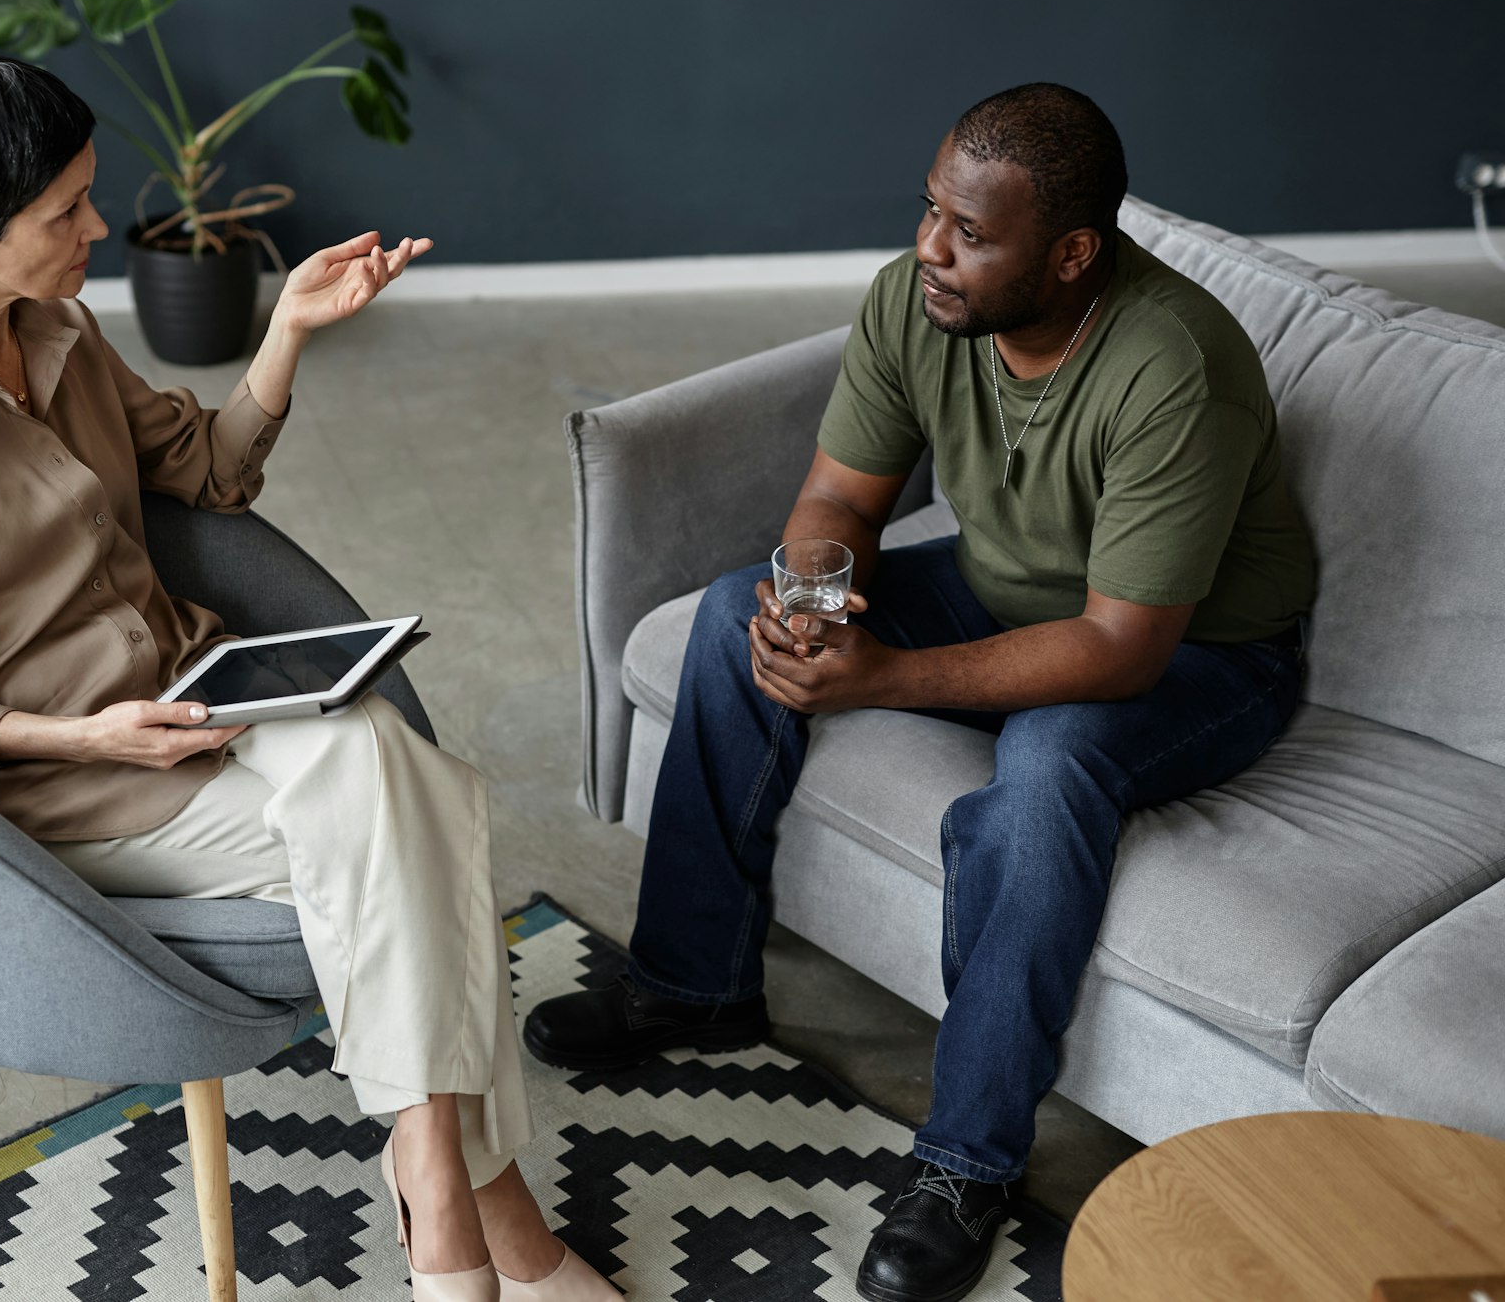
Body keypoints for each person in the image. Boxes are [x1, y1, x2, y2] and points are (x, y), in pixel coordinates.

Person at [0, 57, 618, 1302]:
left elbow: (207, 473)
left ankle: (439, 1177)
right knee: (418, 811)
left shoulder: (56, 330)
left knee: (393, 776)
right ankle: (471, 1208)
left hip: (190, 700)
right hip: (59, 791)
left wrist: (287, 330)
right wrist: (88, 741)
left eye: (86, 196)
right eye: (63, 212)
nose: (95, 231)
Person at [525, 82, 1315, 1302]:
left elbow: (1117, 647)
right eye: (928, 211)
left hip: (1202, 651)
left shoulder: (1171, 366)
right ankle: (695, 983)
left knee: (1049, 766)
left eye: (969, 233)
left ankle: (963, 1163)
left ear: (1069, 253)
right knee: (740, 607)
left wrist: (883, 676)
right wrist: (810, 595)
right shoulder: (918, 301)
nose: (929, 249)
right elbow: (840, 499)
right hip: (1006, 591)